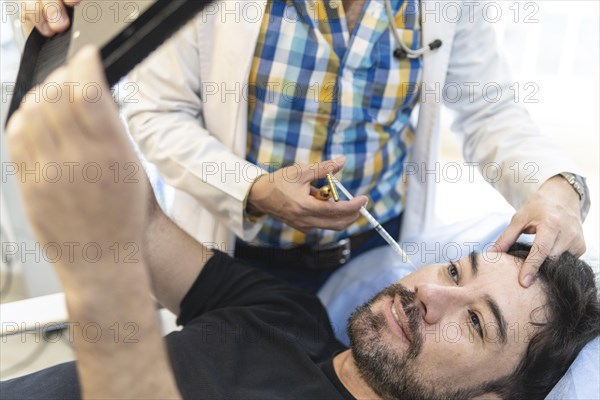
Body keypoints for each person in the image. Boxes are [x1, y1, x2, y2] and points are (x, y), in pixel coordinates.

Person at [3, 46, 599, 400]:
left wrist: (96, 289)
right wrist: (74, 63)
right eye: (452, 267)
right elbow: (143, 228)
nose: (429, 292)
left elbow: (490, 105)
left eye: (474, 321)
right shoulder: (290, 315)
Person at [21, 0, 590, 294]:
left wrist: (558, 190)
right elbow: (158, 110)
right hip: (243, 252)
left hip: (378, 247)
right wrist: (254, 189)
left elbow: (489, 109)